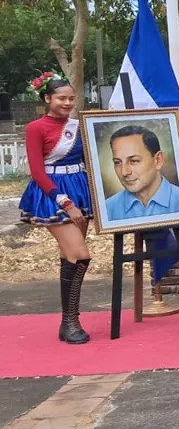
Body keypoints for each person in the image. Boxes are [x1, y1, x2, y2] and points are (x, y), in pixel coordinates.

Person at [19, 76, 93, 344]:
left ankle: (67, 322)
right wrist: (65, 202)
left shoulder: (79, 126)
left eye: (71, 98)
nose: (67, 103)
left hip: (80, 188)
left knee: (70, 256)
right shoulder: (36, 128)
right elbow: (37, 171)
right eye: (62, 98)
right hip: (53, 193)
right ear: (47, 99)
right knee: (80, 255)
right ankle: (71, 321)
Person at [104, 125, 179, 222]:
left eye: (133, 161)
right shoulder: (108, 207)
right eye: (117, 162)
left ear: (158, 160)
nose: (124, 172)